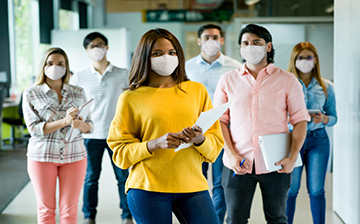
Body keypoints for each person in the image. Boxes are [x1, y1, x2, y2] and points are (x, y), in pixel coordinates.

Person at [107, 28, 224, 224]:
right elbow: (120, 153)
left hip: (193, 186)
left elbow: (214, 147)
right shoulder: (130, 98)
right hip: (147, 188)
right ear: (145, 57)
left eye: (172, 52)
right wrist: (153, 144)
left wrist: (199, 139)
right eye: (157, 53)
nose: (166, 58)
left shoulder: (197, 91)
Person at [213, 24, 310, 224]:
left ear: (268, 46)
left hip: (276, 163)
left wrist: (293, 157)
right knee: (235, 220)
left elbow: (300, 120)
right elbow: (220, 120)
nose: (250, 47)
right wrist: (230, 153)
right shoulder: (227, 80)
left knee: (277, 218)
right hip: (237, 163)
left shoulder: (287, 80)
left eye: (256, 42)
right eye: (245, 43)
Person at [22, 47, 93, 224]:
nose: (55, 67)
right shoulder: (31, 93)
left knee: (70, 210)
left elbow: (89, 127)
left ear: (66, 67)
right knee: (46, 210)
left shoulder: (78, 91)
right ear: (43, 66)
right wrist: (65, 121)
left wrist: (79, 124)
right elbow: (34, 129)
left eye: (60, 64)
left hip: (75, 156)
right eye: (50, 63)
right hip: (42, 157)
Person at [69, 32, 133, 224]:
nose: (97, 49)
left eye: (100, 45)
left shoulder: (124, 74)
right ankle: (89, 216)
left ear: (106, 47)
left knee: (123, 178)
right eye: (92, 46)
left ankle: (127, 216)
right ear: (87, 51)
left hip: (118, 135)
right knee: (90, 179)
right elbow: (72, 106)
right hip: (90, 135)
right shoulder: (79, 77)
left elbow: (134, 102)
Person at [185, 24, 242, 223]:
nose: (212, 41)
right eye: (207, 37)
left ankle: (215, 220)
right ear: (199, 40)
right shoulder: (186, 68)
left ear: (222, 40)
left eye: (215, 37)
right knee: (195, 181)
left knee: (220, 183)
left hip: (221, 131)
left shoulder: (235, 67)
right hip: (193, 133)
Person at [286, 42, 337, 224]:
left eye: (308, 57)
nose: (304, 61)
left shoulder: (326, 86)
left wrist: (323, 119)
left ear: (315, 60)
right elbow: (277, 116)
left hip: (318, 140)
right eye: (300, 57)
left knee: (316, 190)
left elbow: (334, 117)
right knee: (291, 189)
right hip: (293, 140)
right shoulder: (286, 84)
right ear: (294, 60)